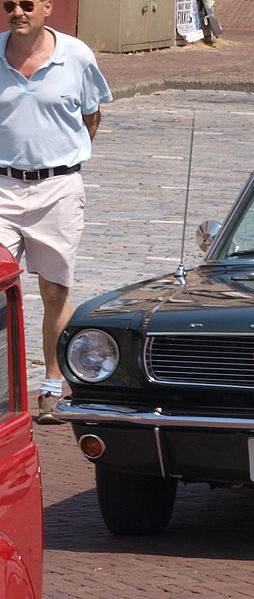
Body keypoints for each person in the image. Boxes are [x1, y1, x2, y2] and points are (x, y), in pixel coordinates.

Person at [0, 0, 113, 423]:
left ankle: (51, 385)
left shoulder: (77, 55)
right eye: (9, 4)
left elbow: (92, 116)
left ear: (47, 7)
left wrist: (61, 160)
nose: (18, 11)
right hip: (2, 187)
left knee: (54, 291)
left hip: (58, 188)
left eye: (27, 4)